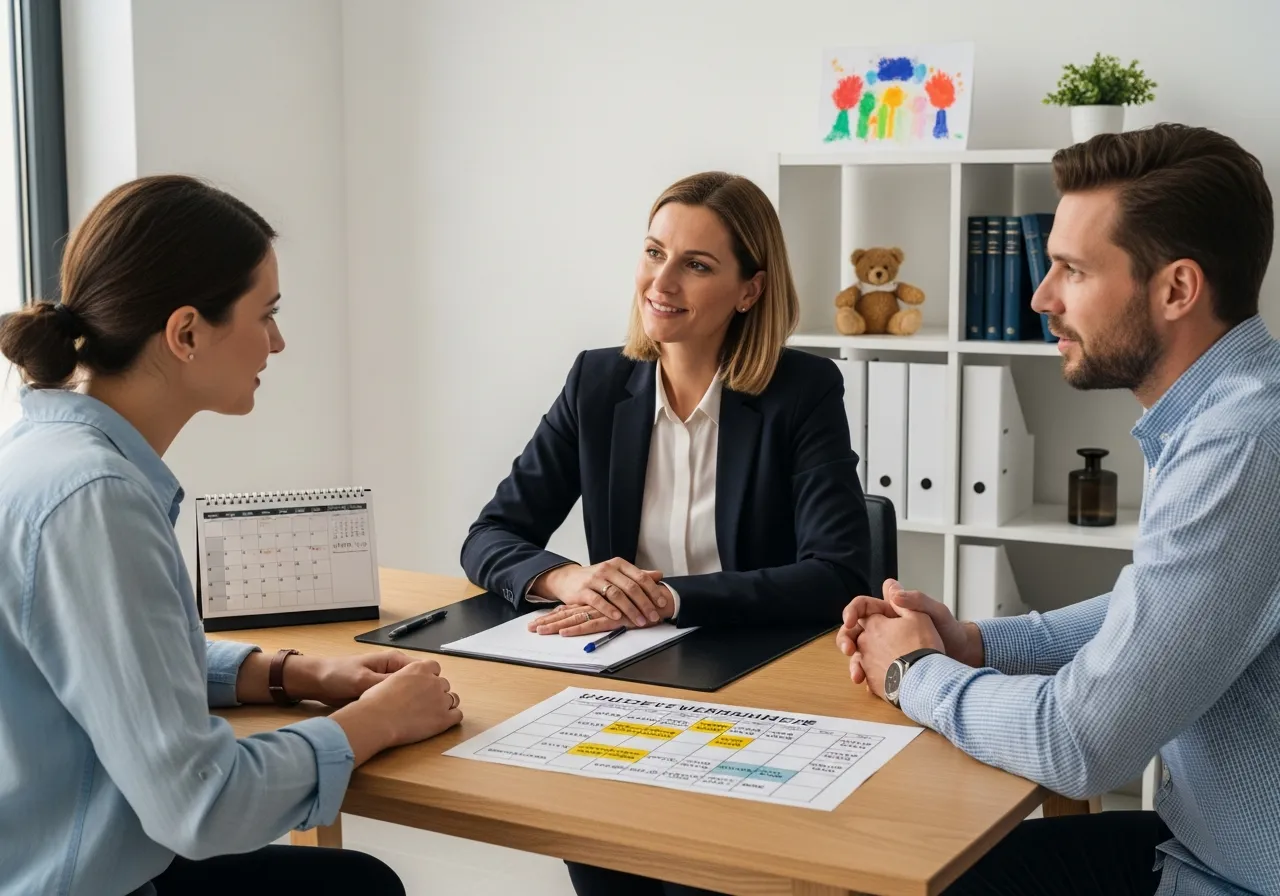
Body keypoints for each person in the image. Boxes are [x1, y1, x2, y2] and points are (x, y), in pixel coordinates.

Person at [839, 123, 1280, 896]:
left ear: (1177, 289)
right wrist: (975, 643)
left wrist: (913, 672)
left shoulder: (1242, 446)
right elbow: (1162, 608)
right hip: (1205, 848)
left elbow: (1080, 744)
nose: (1041, 298)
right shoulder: (1229, 414)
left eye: (1071, 270)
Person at [0, 175, 464, 896]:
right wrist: (374, 723)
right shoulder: (99, 502)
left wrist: (289, 673)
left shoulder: (41, 455)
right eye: (266, 314)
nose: (278, 342)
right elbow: (201, 805)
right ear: (186, 332)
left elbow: (113, 660)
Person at [460, 171, 872, 895]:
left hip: (759, 698)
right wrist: (570, 579)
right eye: (654, 253)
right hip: (620, 696)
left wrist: (668, 598)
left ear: (749, 290)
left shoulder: (801, 392)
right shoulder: (596, 384)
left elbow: (837, 575)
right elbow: (491, 535)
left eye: (697, 264)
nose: (662, 280)